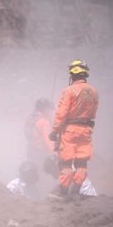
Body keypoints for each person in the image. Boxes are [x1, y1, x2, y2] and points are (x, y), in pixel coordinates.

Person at [48, 60, 99, 203]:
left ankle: (63, 194)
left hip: (70, 131)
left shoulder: (69, 91)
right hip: (86, 131)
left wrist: (54, 131)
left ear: (73, 74)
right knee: (81, 164)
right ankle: (76, 193)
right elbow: (93, 112)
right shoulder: (94, 91)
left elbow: (61, 113)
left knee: (65, 163)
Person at [25, 98, 55, 166]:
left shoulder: (31, 118)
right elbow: (49, 141)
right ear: (45, 109)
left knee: (33, 173)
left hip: (31, 151)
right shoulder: (44, 122)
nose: (50, 112)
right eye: (48, 109)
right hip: (41, 154)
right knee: (44, 175)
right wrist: (57, 154)